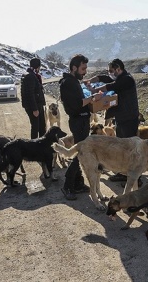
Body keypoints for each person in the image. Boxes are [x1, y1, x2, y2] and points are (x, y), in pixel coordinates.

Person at [85, 58, 140, 182]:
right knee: (121, 147)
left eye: (111, 71)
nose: (110, 73)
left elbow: (112, 85)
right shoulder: (119, 77)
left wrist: (94, 91)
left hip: (129, 118)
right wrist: (91, 80)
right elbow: (105, 78)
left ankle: (135, 177)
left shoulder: (127, 79)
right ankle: (123, 173)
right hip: (121, 118)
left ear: (118, 69)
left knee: (130, 148)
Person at [59, 54, 102, 200]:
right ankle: (67, 185)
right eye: (83, 68)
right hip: (78, 121)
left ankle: (78, 183)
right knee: (81, 153)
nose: (85, 72)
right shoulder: (68, 83)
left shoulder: (73, 81)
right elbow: (77, 104)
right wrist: (92, 99)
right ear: (74, 68)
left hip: (82, 120)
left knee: (81, 152)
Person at [21, 58, 47, 139]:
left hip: (36, 104)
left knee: (41, 126)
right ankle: (35, 147)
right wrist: (35, 109)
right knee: (36, 127)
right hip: (34, 106)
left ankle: (40, 145)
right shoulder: (30, 76)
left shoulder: (29, 75)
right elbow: (30, 94)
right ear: (37, 67)